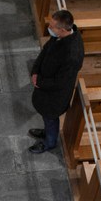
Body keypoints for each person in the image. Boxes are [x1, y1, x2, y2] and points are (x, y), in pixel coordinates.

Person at [27, 9, 85, 154]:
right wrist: (35, 71)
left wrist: (39, 81)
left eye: (52, 26)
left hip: (55, 96)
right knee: (47, 118)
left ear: (63, 29)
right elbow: (45, 51)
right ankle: (47, 131)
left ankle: (49, 142)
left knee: (51, 117)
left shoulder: (72, 54)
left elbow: (60, 82)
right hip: (45, 85)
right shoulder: (60, 36)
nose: (49, 28)